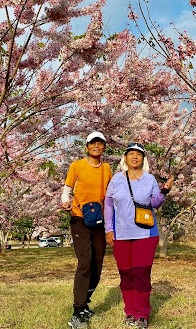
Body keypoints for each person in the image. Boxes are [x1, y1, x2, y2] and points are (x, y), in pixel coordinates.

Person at [104, 142, 174, 328]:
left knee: (141, 273)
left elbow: (155, 204)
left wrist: (164, 192)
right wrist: (108, 229)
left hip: (146, 234)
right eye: (131, 154)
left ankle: (142, 314)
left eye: (138, 154)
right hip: (120, 235)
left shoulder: (150, 179)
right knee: (126, 274)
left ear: (143, 159)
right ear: (125, 158)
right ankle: (130, 312)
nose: (134, 157)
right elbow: (109, 204)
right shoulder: (117, 179)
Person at [61, 131, 113, 329]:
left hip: (99, 219)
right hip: (80, 218)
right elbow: (67, 188)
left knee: (97, 263)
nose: (96, 146)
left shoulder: (107, 168)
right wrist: (66, 201)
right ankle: (77, 311)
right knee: (85, 261)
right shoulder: (77, 165)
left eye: (100, 143)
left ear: (104, 148)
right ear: (87, 147)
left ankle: (85, 303)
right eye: (93, 143)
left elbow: (109, 195)